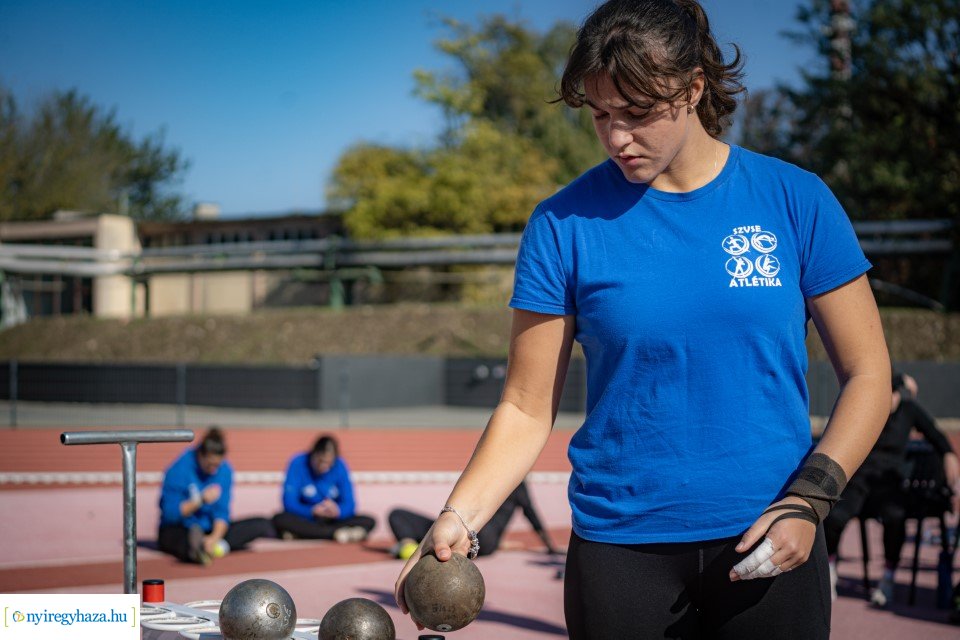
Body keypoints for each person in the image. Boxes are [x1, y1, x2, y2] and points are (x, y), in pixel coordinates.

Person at [393, 1, 891, 638]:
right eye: (600, 115)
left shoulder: (795, 200)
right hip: (619, 552)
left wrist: (810, 499)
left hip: (773, 536)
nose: (616, 137)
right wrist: (458, 518)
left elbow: (869, 373)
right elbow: (524, 406)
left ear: (693, 89)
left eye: (637, 114)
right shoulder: (560, 224)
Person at [824, 372, 960, 607]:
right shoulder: (867, 407)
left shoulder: (909, 410)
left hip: (889, 483)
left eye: (891, 394)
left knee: (895, 517)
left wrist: (948, 454)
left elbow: (936, 435)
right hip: (859, 480)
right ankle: (830, 570)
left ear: (897, 394)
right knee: (834, 517)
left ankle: (887, 579)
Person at [158, 427, 275, 565]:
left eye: (217, 465)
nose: (214, 470)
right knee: (174, 537)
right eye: (209, 465)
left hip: (209, 528)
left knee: (261, 524)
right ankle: (197, 547)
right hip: (182, 527)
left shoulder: (225, 470)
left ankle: (207, 546)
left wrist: (214, 537)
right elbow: (170, 514)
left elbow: (222, 512)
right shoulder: (178, 469)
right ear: (200, 455)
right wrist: (199, 501)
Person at [388, 480, 561, 559]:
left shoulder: (510, 481)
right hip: (472, 535)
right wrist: (550, 548)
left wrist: (551, 547)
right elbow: (531, 514)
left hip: (479, 537)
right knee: (397, 514)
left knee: (397, 515)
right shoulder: (493, 480)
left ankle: (413, 547)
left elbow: (531, 515)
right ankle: (411, 546)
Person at [272, 434, 376, 543]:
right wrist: (311, 511)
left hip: (332, 519)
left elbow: (350, 503)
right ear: (313, 455)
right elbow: (289, 502)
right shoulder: (298, 463)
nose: (323, 466)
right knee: (279, 519)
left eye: (328, 463)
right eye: (320, 461)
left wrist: (337, 511)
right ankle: (335, 534)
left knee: (369, 521)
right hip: (307, 518)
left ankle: (303, 534)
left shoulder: (340, 465)